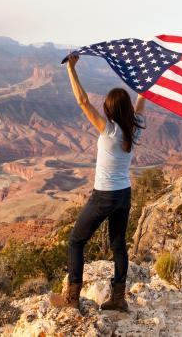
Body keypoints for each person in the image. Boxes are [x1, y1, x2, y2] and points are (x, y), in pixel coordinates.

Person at [50, 53, 146, 312]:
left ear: (110, 108)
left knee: (75, 241)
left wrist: (71, 68)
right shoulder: (135, 126)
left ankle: (72, 299)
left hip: (104, 195)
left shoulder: (109, 128)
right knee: (118, 245)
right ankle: (118, 298)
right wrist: (145, 85)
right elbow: (140, 105)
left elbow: (82, 101)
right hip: (124, 195)